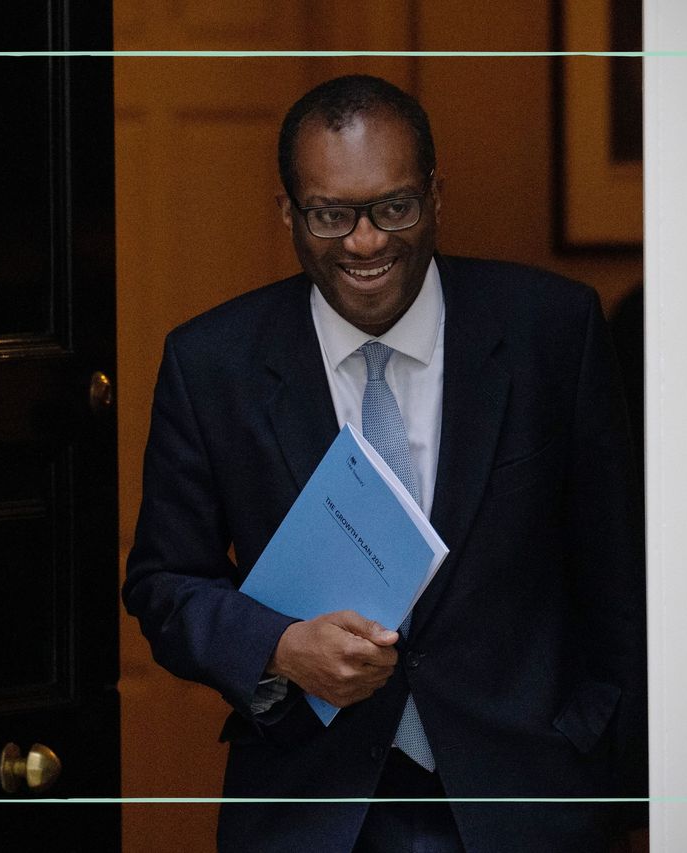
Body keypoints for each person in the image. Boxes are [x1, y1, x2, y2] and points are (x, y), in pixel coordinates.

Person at [123, 74, 646, 853]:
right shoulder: (213, 364)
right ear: (289, 212)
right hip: (310, 807)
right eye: (331, 215)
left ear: (436, 196)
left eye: (392, 208)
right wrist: (277, 647)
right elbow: (164, 584)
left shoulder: (551, 331)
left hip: (530, 798)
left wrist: (619, 780)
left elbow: (621, 576)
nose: (364, 242)